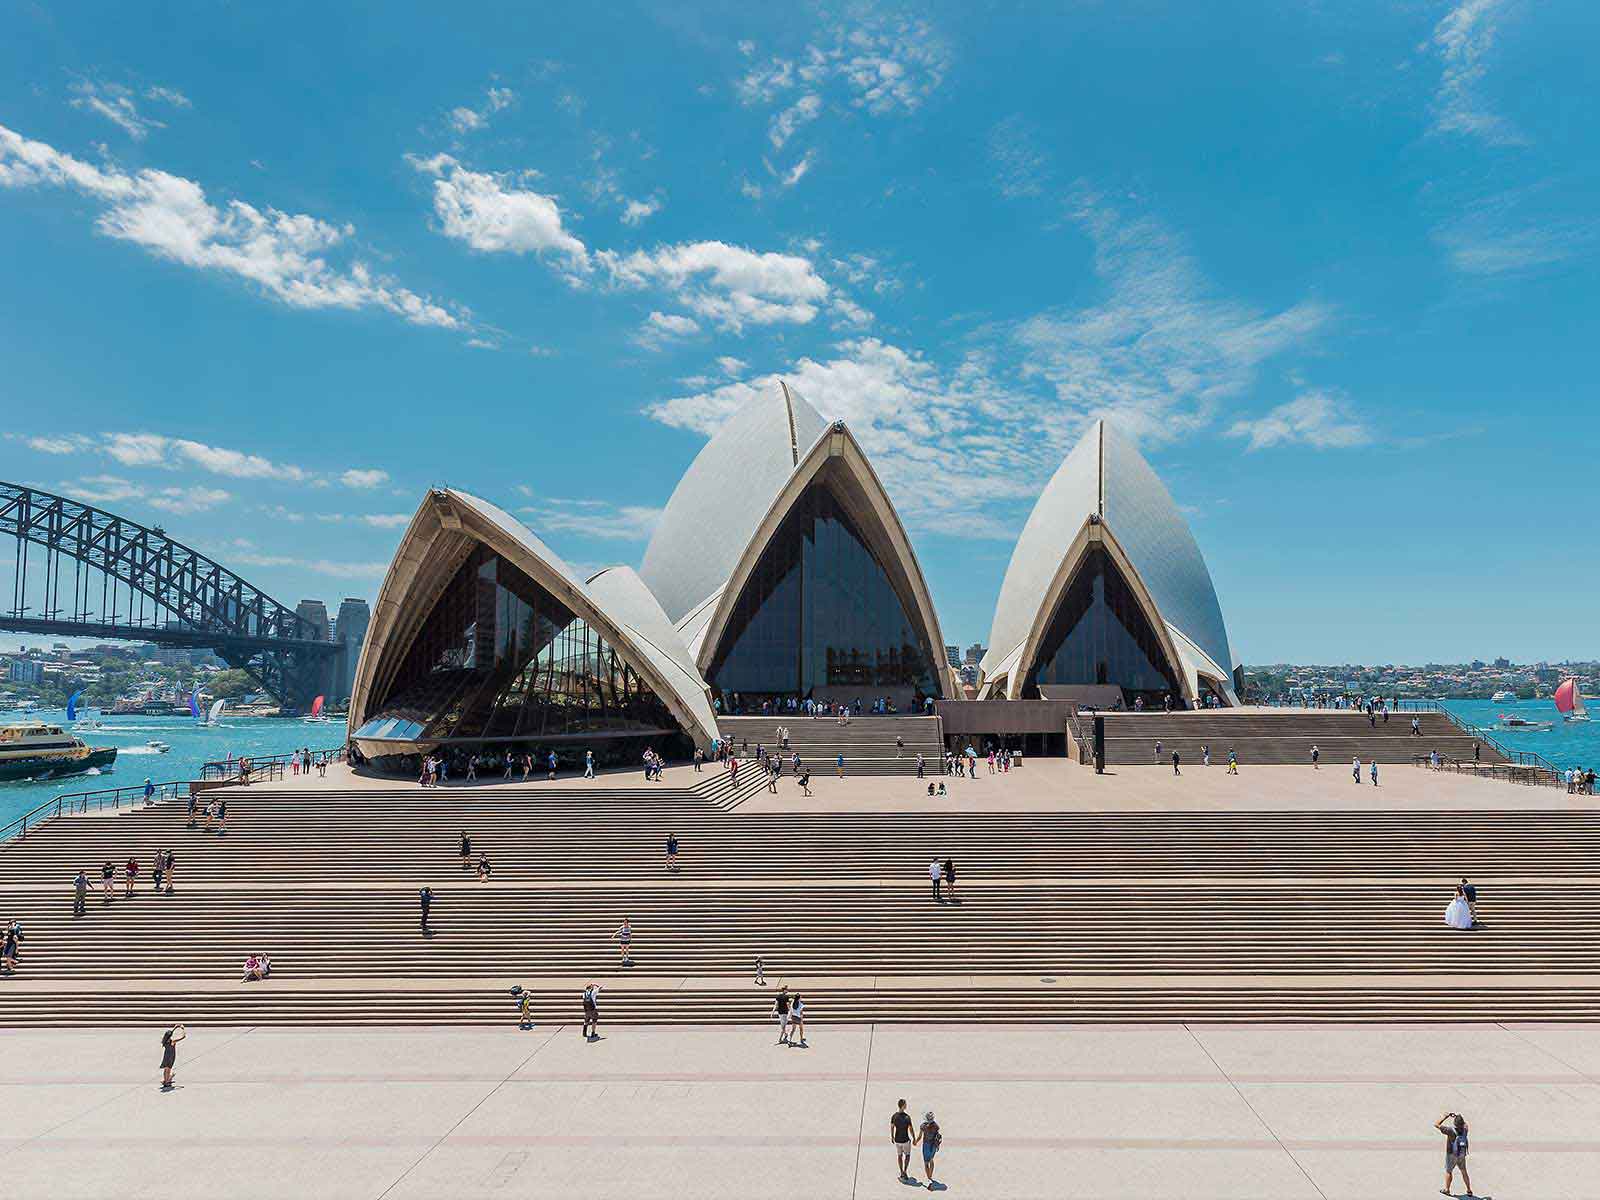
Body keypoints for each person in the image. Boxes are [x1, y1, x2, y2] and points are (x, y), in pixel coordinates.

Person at [1435, 1112, 1472, 1196]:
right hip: (1462, 1154)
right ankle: (1469, 1190)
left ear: (1454, 1123)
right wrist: (1458, 1118)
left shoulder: (1450, 1130)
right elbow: (1466, 1124)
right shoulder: (1465, 1130)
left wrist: (1445, 1117)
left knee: (1449, 1171)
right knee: (1464, 1171)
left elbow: (1436, 1124)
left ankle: (1447, 1190)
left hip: (1451, 1154)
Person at [915, 1110, 942, 1186]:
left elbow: (920, 1137)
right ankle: (931, 1176)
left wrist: (915, 1142)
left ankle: (929, 1177)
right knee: (931, 1160)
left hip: (926, 1146)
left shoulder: (923, 1126)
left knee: (926, 1163)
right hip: (933, 1145)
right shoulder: (936, 1126)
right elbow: (937, 1136)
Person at [891, 1099, 916, 1181]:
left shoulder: (894, 1116)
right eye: (905, 1104)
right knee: (907, 1156)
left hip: (897, 1140)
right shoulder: (907, 1117)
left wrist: (892, 1136)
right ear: (903, 1106)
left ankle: (901, 1171)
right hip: (905, 1140)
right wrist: (914, 1138)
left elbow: (892, 1127)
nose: (906, 1105)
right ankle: (905, 1171)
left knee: (899, 1156)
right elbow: (911, 1129)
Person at [159, 1024, 186, 1090]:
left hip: (165, 1056)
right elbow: (183, 1037)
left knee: (166, 1069)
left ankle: (166, 1080)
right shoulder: (172, 1041)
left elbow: (169, 1034)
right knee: (168, 1069)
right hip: (171, 1056)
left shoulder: (164, 1041)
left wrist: (175, 1027)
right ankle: (167, 1081)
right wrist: (183, 1029)